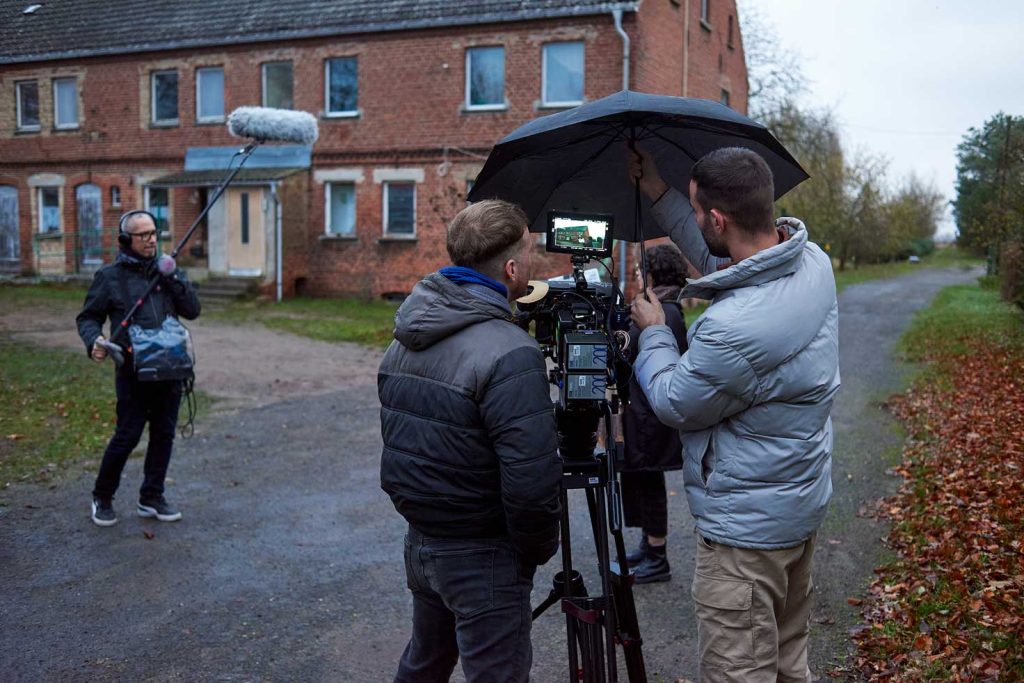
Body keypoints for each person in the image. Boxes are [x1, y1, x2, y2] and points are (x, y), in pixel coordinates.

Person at [627, 146, 840, 682]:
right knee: (790, 662)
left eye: (699, 212)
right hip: (793, 507)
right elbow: (727, 255)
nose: (698, 222)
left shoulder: (733, 329)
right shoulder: (810, 262)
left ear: (719, 218)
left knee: (739, 671)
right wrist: (658, 190)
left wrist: (653, 333)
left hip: (745, 537)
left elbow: (675, 401)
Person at [378, 199, 562, 683]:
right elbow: (531, 482)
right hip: (483, 553)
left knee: (425, 663)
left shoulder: (406, 333)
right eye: (530, 251)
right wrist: (534, 552)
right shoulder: (510, 353)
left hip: (423, 541)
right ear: (511, 267)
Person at [77, 210, 201, 527]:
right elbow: (88, 317)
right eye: (143, 235)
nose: (151, 240)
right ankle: (102, 497)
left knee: (163, 435)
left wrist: (172, 276)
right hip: (133, 372)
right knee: (128, 436)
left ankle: (152, 497)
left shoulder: (167, 272)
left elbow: (192, 310)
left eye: (154, 233)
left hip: (170, 368)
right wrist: (95, 340)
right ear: (125, 240)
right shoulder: (110, 277)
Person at [620, 244, 689, 584]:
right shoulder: (662, 308)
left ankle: (658, 555)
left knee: (650, 479)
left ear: (652, 274)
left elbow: (652, 353)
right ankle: (648, 545)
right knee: (643, 477)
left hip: (652, 415)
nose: (637, 277)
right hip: (644, 412)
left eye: (639, 271)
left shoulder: (667, 313)